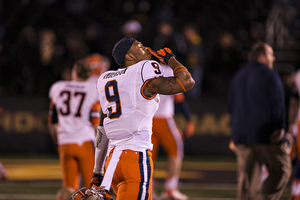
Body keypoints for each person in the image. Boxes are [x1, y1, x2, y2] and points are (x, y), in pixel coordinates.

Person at [90, 38, 194, 200]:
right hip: (135, 158)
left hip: (112, 163)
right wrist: (169, 58)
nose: (146, 48)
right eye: (139, 46)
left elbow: (101, 131)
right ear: (129, 57)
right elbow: (187, 81)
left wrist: (97, 172)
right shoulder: (144, 68)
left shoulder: (105, 79)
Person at [228, 42, 292, 200]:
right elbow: (277, 102)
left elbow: (231, 104)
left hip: (241, 136)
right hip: (265, 134)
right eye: (271, 54)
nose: (274, 58)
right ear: (262, 57)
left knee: (247, 181)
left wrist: (235, 131)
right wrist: (280, 126)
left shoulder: (238, 75)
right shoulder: (269, 74)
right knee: (282, 170)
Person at [48, 59, 100, 200]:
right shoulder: (93, 90)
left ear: (74, 72)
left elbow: (52, 124)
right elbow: (96, 123)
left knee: (68, 187)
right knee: (91, 190)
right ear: (89, 74)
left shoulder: (58, 87)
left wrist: (57, 142)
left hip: (65, 143)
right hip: (84, 142)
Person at [151, 63, 195, 200]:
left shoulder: (143, 68)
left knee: (147, 157)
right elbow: (179, 99)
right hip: (164, 118)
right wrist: (188, 120)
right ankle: (170, 188)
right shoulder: (170, 70)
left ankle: (147, 189)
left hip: (146, 120)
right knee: (176, 151)